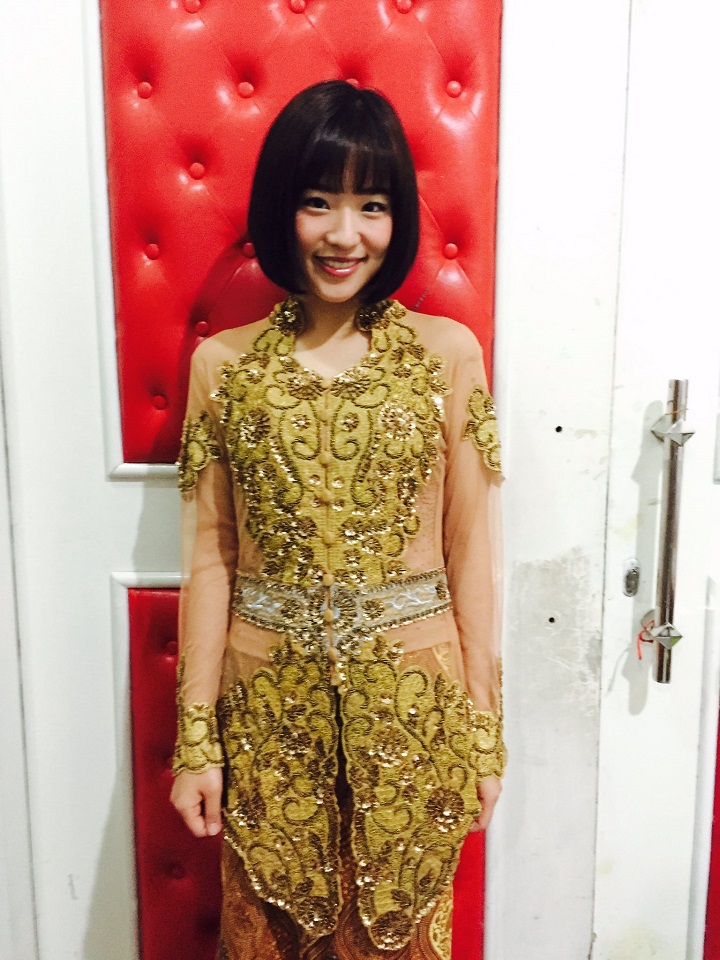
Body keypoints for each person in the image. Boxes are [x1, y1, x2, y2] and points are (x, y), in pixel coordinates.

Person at [170, 79, 505, 960]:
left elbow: (472, 550)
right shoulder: (224, 366)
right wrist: (196, 743)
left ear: (398, 221)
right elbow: (210, 556)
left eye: (372, 206)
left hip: (416, 714)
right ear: (282, 210)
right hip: (266, 720)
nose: (344, 234)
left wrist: (483, 736)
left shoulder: (446, 355)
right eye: (318, 202)